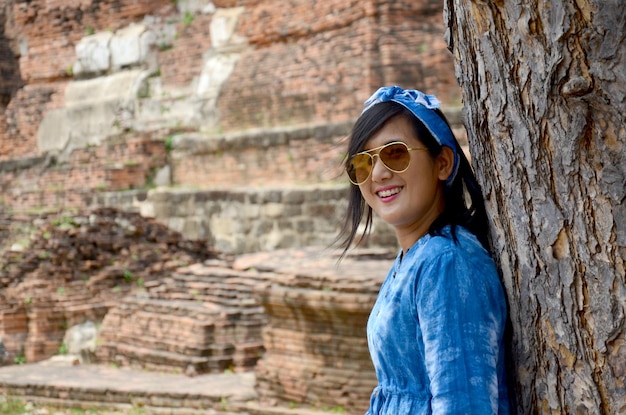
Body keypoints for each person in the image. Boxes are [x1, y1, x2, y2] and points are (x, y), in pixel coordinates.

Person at [337, 86, 510, 414]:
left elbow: (464, 404)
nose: (378, 174)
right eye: (363, 162)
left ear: (442, 163)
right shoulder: (414, 258)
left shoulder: (447, 263)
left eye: (396, 153)